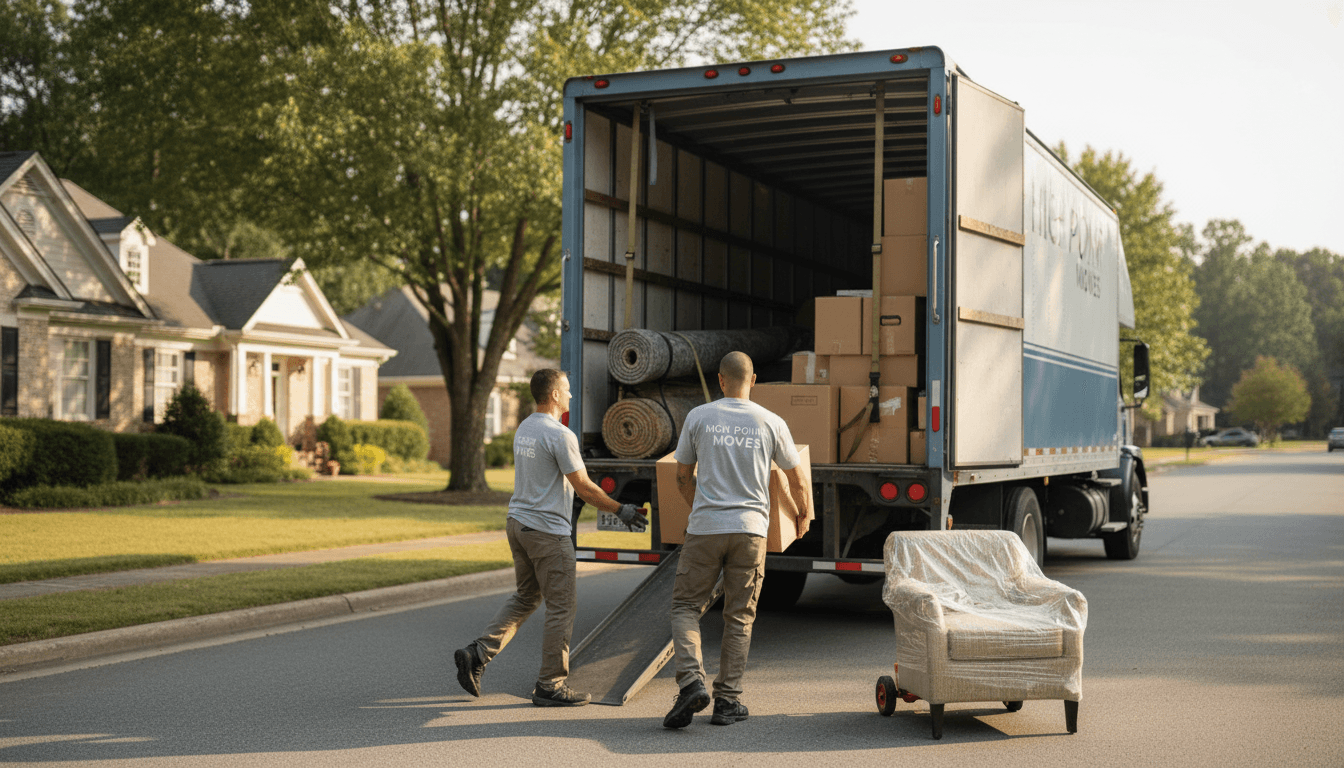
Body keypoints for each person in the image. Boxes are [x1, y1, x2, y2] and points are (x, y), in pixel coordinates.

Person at [454, 368, 646, 707]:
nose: (571, 395)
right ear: (554, 395)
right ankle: (551, 685)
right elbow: (583, 485)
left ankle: (477, 653)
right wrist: (621, 510)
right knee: (562, 608)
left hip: (518, 524)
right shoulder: (559, 435)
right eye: (567, 390)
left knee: (527, 596)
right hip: (546, 533)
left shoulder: (526, 428)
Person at [662, 351, 811, 729]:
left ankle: (691, 682)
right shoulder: (771, 421)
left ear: (721, 380)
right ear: (754, 380)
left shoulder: (698, 416)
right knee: (739, 616)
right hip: (751, 530)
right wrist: (802, 515)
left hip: (706, 528)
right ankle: (727, 702)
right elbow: (797, 479)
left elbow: (682, 477)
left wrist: (701, 510)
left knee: (685, 607)